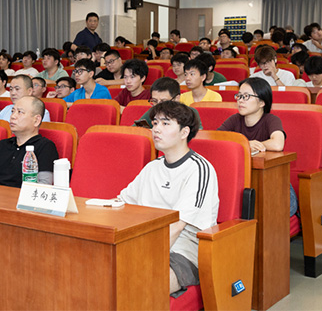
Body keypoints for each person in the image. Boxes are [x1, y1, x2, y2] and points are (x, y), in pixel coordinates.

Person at [118, 101, 218, 296]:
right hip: (147, 240)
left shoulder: (199, 169)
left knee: (138, 283)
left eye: (165, 123)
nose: (156, 129)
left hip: (184, 250)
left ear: (184, 132)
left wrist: (142, 254)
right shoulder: (152, 167)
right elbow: (122, 204)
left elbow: (177, 226)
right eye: (155, 123)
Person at [217, 77, 297, 217]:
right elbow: (216, 140)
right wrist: (246, 144)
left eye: (246, 96)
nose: (240, 100)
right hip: (246, 183)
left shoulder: (271, 120)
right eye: (239, 96)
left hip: (275, 186)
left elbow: (277, 144)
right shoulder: (235, 119)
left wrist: (250, 145)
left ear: (261, 102)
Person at [0, 96, 59, 187]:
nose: (13, 116)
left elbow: (43, 185)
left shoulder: (45, 147)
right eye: (12, 111)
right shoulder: (1, 145)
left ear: (36, 120)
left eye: (20, 112)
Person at [134, 77, 203, 129]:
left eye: (163, 101)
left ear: (176, 99)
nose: (158, 106)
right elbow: (133, 129)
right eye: (155, 101)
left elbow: (197, 137)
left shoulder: (190, 113)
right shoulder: (154, 111)